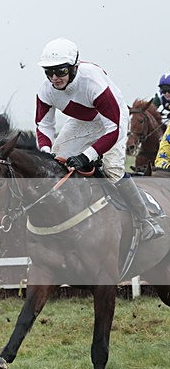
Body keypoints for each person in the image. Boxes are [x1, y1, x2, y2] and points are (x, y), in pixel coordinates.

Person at [35, 38, 164, 241]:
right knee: (53, 164)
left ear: (74, 68)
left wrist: (86, 156)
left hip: (113, 119)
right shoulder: (45, 90)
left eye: (60, 71)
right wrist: (44, 152)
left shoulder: (93, 84)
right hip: (83, 120)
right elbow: (44, 125)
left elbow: (112, 129)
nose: (54, 78)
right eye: (49, 72)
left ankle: (147, 218)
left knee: (112, 170)